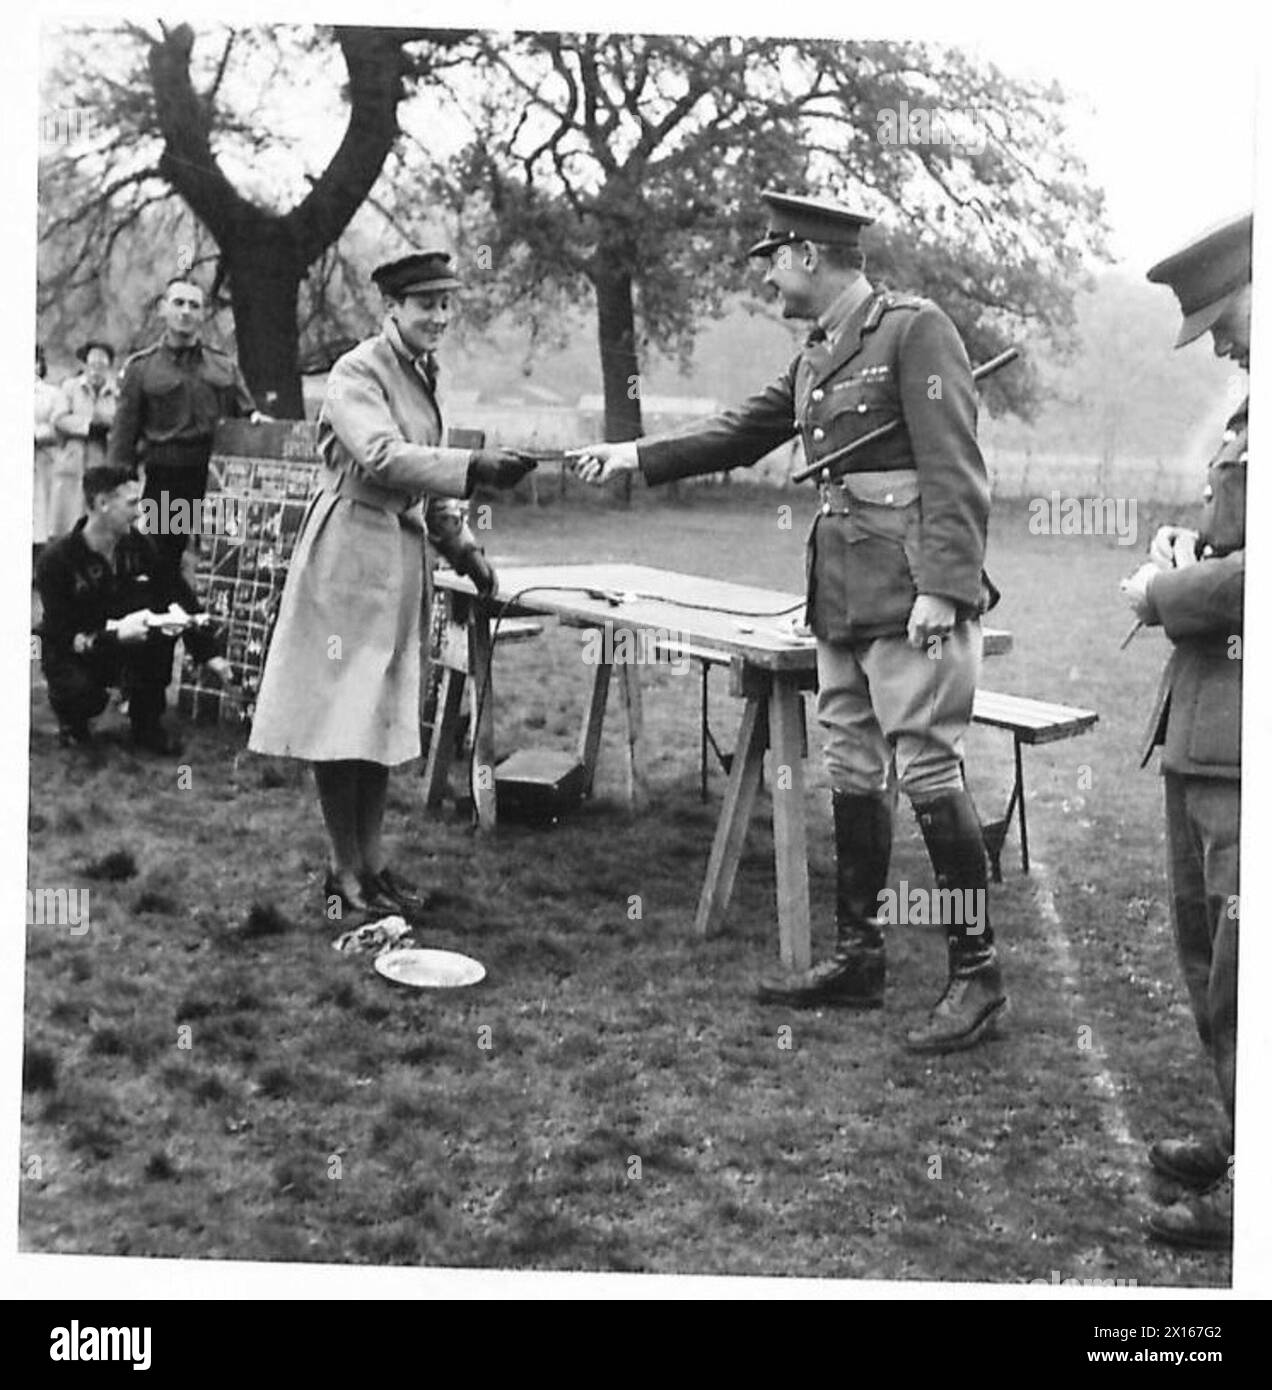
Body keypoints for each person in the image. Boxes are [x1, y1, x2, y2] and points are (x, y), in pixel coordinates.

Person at [574, 190, 1003, 1054]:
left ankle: (979, 972)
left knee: (924, 765)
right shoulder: (818, 355)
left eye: (772, 258)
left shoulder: (914, 331)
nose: (768, 275)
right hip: (842, 587)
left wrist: (946, 592)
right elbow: (743, 432)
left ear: (809, 254)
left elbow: (958, 471)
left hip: (911, 586)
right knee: (849, 760)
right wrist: (635, 454)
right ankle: (859, 956)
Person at [248, 250, 535, 922]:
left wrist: (464, 550)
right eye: (426, 304)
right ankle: (341, 867)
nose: (439, 316)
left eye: (445, 304)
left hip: (399, 557)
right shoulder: (358, 371)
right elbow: (382, 456)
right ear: (393, 310)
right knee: (339, 712)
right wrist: (475, 464)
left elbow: (424, 484)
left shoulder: (420, 375)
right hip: (348, 551)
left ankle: (374, 865)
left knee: (379, 712)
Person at [1121, 211, 1250, 1252]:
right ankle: (1242, 1131)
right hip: (1208, 726)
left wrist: (1164, 587)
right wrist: (1188, 539)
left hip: (1246, 738)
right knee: (1208, 947)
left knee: (1248, 965)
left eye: (1225, 318)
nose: (1216, 342)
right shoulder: (1253, 408)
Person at [34, 465, 233, 754]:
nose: (140, 511)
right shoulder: (57, 561)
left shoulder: (140, 547)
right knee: (82, 692)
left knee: (162, 632)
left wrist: (209, 654)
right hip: (78, 650)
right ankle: (73, 722)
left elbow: (177, 594)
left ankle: (147, 724)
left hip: (128, 644)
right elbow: (60, 634)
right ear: (102, 504)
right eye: (131, 503)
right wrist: (113, 637)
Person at [107, 277, 262, 578]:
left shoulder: (224, 366)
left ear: (203, 314)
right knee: (159, 561)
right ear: (163, 309)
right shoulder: (142, 369)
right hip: (167, 480)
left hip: (217, 482)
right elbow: (123, 436)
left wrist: (260, 424)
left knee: (224, 560)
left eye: (194, 305)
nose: (186, 311)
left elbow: (248, 415)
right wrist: (116, 487)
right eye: (178, 303)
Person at [50, 339, 119, 540]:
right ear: (84, 365)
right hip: (72, 462)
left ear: (109, 367)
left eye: (102, 365)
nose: (96, 370)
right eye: (92, 364)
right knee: (66, 526)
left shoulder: (117, 394)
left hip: (101, 462)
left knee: (96, 524)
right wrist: (88, 425)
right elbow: (59, 419)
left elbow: (121, 424)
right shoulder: (70, 388)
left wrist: (108, 426)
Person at [33, 345, 63, 562]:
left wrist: (36, 435)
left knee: (41, 515)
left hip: (43, 458)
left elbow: (58, 424)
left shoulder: (52, 394)